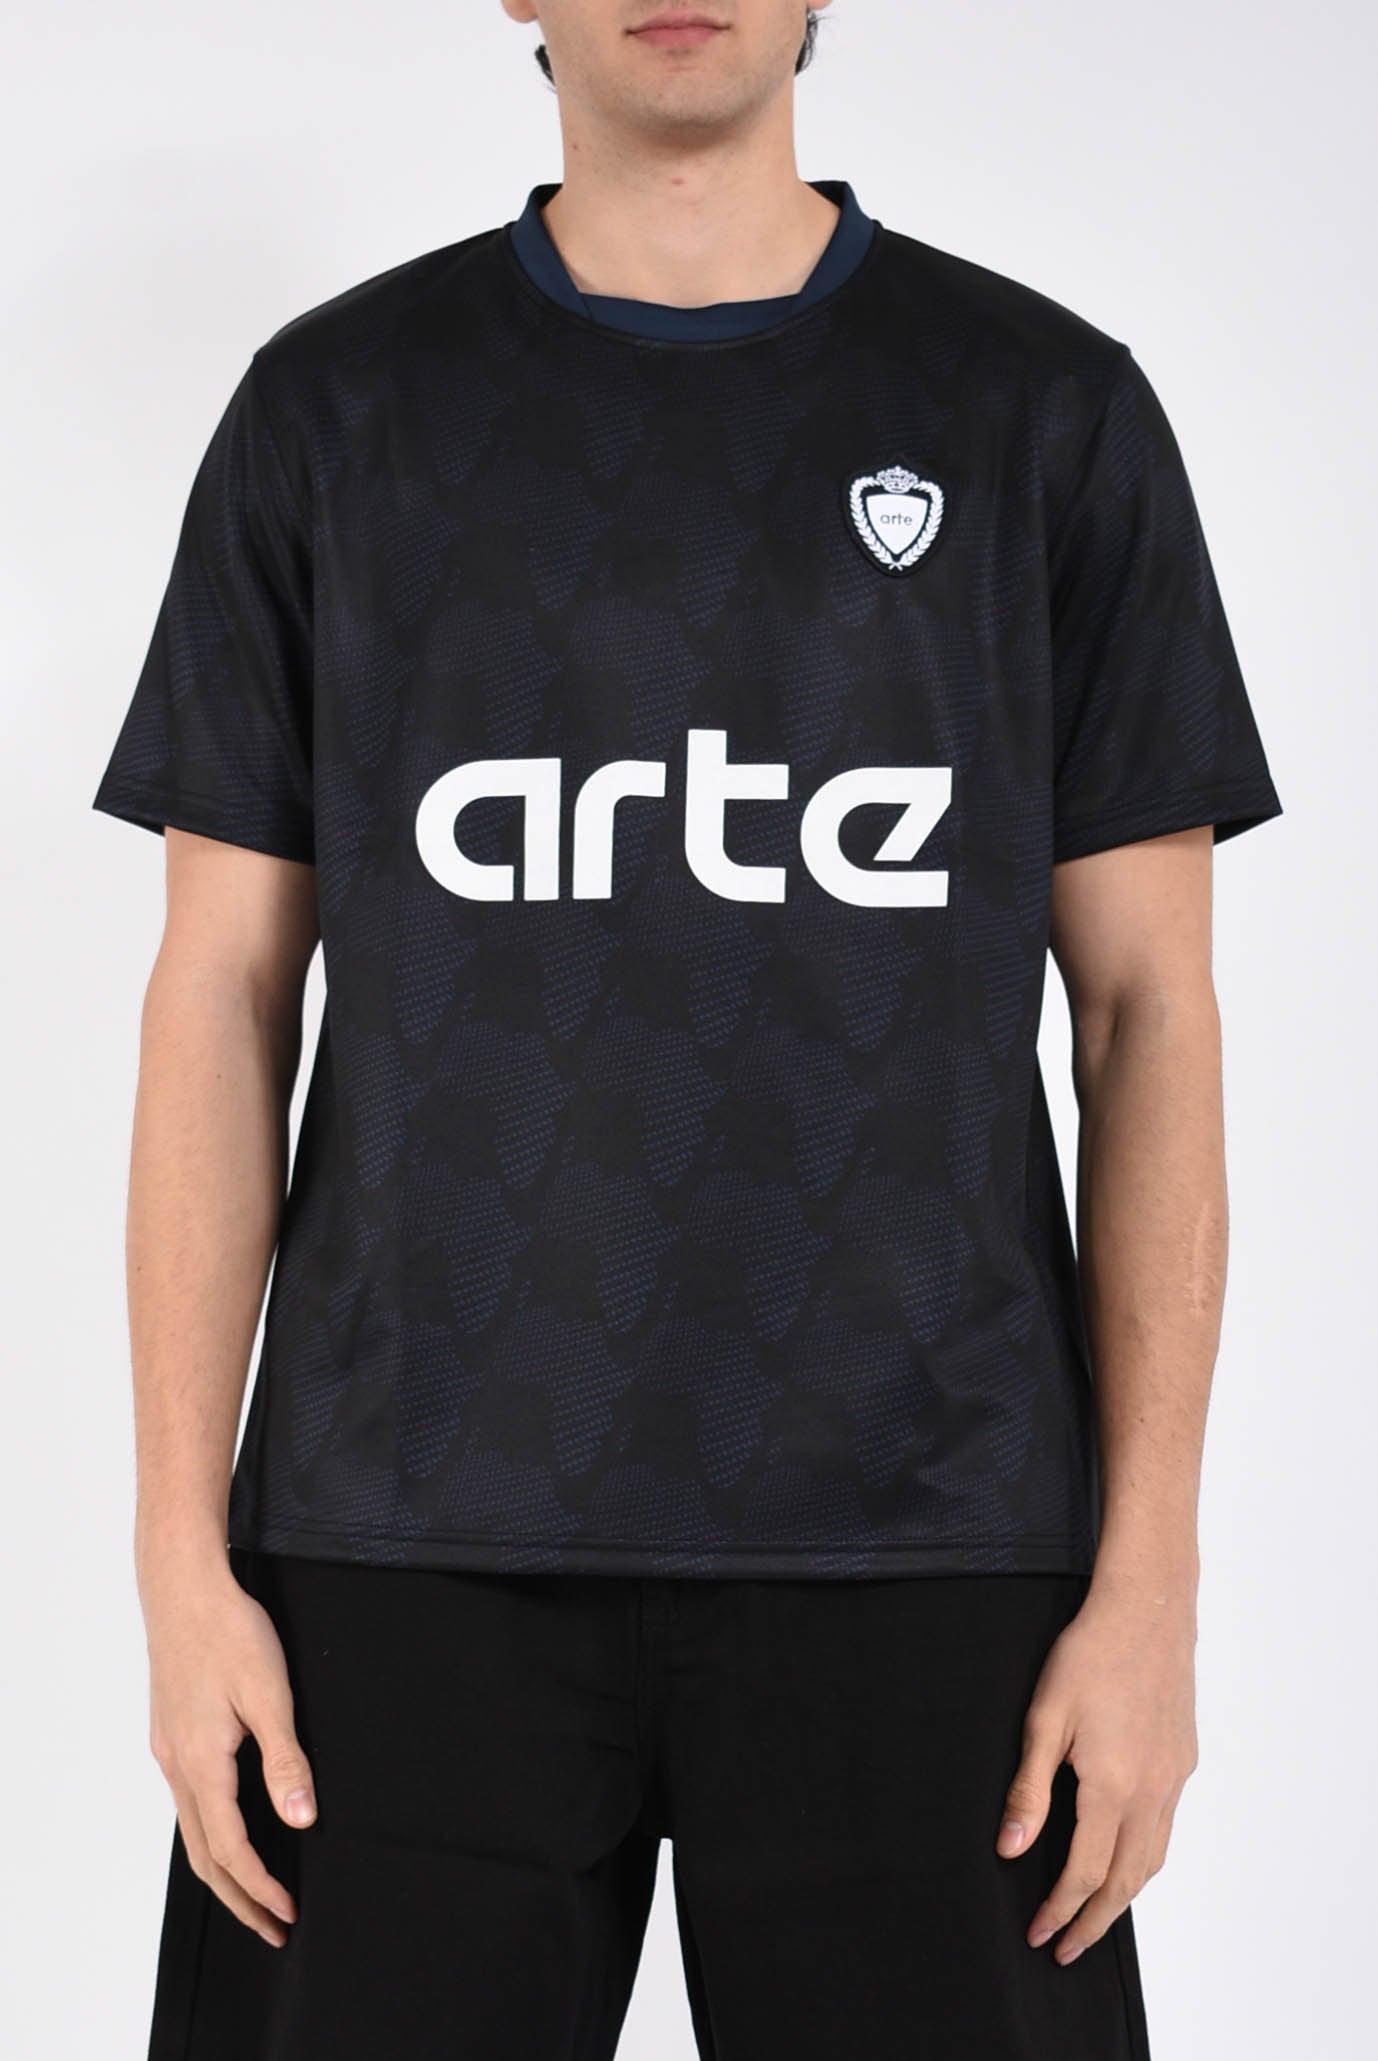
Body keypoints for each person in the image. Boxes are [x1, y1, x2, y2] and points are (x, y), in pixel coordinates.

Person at [91, 4, 1284, 2056]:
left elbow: (1146, 1008)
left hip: (929, 1546)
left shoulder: (1040, 411)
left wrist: (1150, 1577)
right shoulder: (336, 411)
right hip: (396, 1545)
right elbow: (218, 990)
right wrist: (178, 1562)